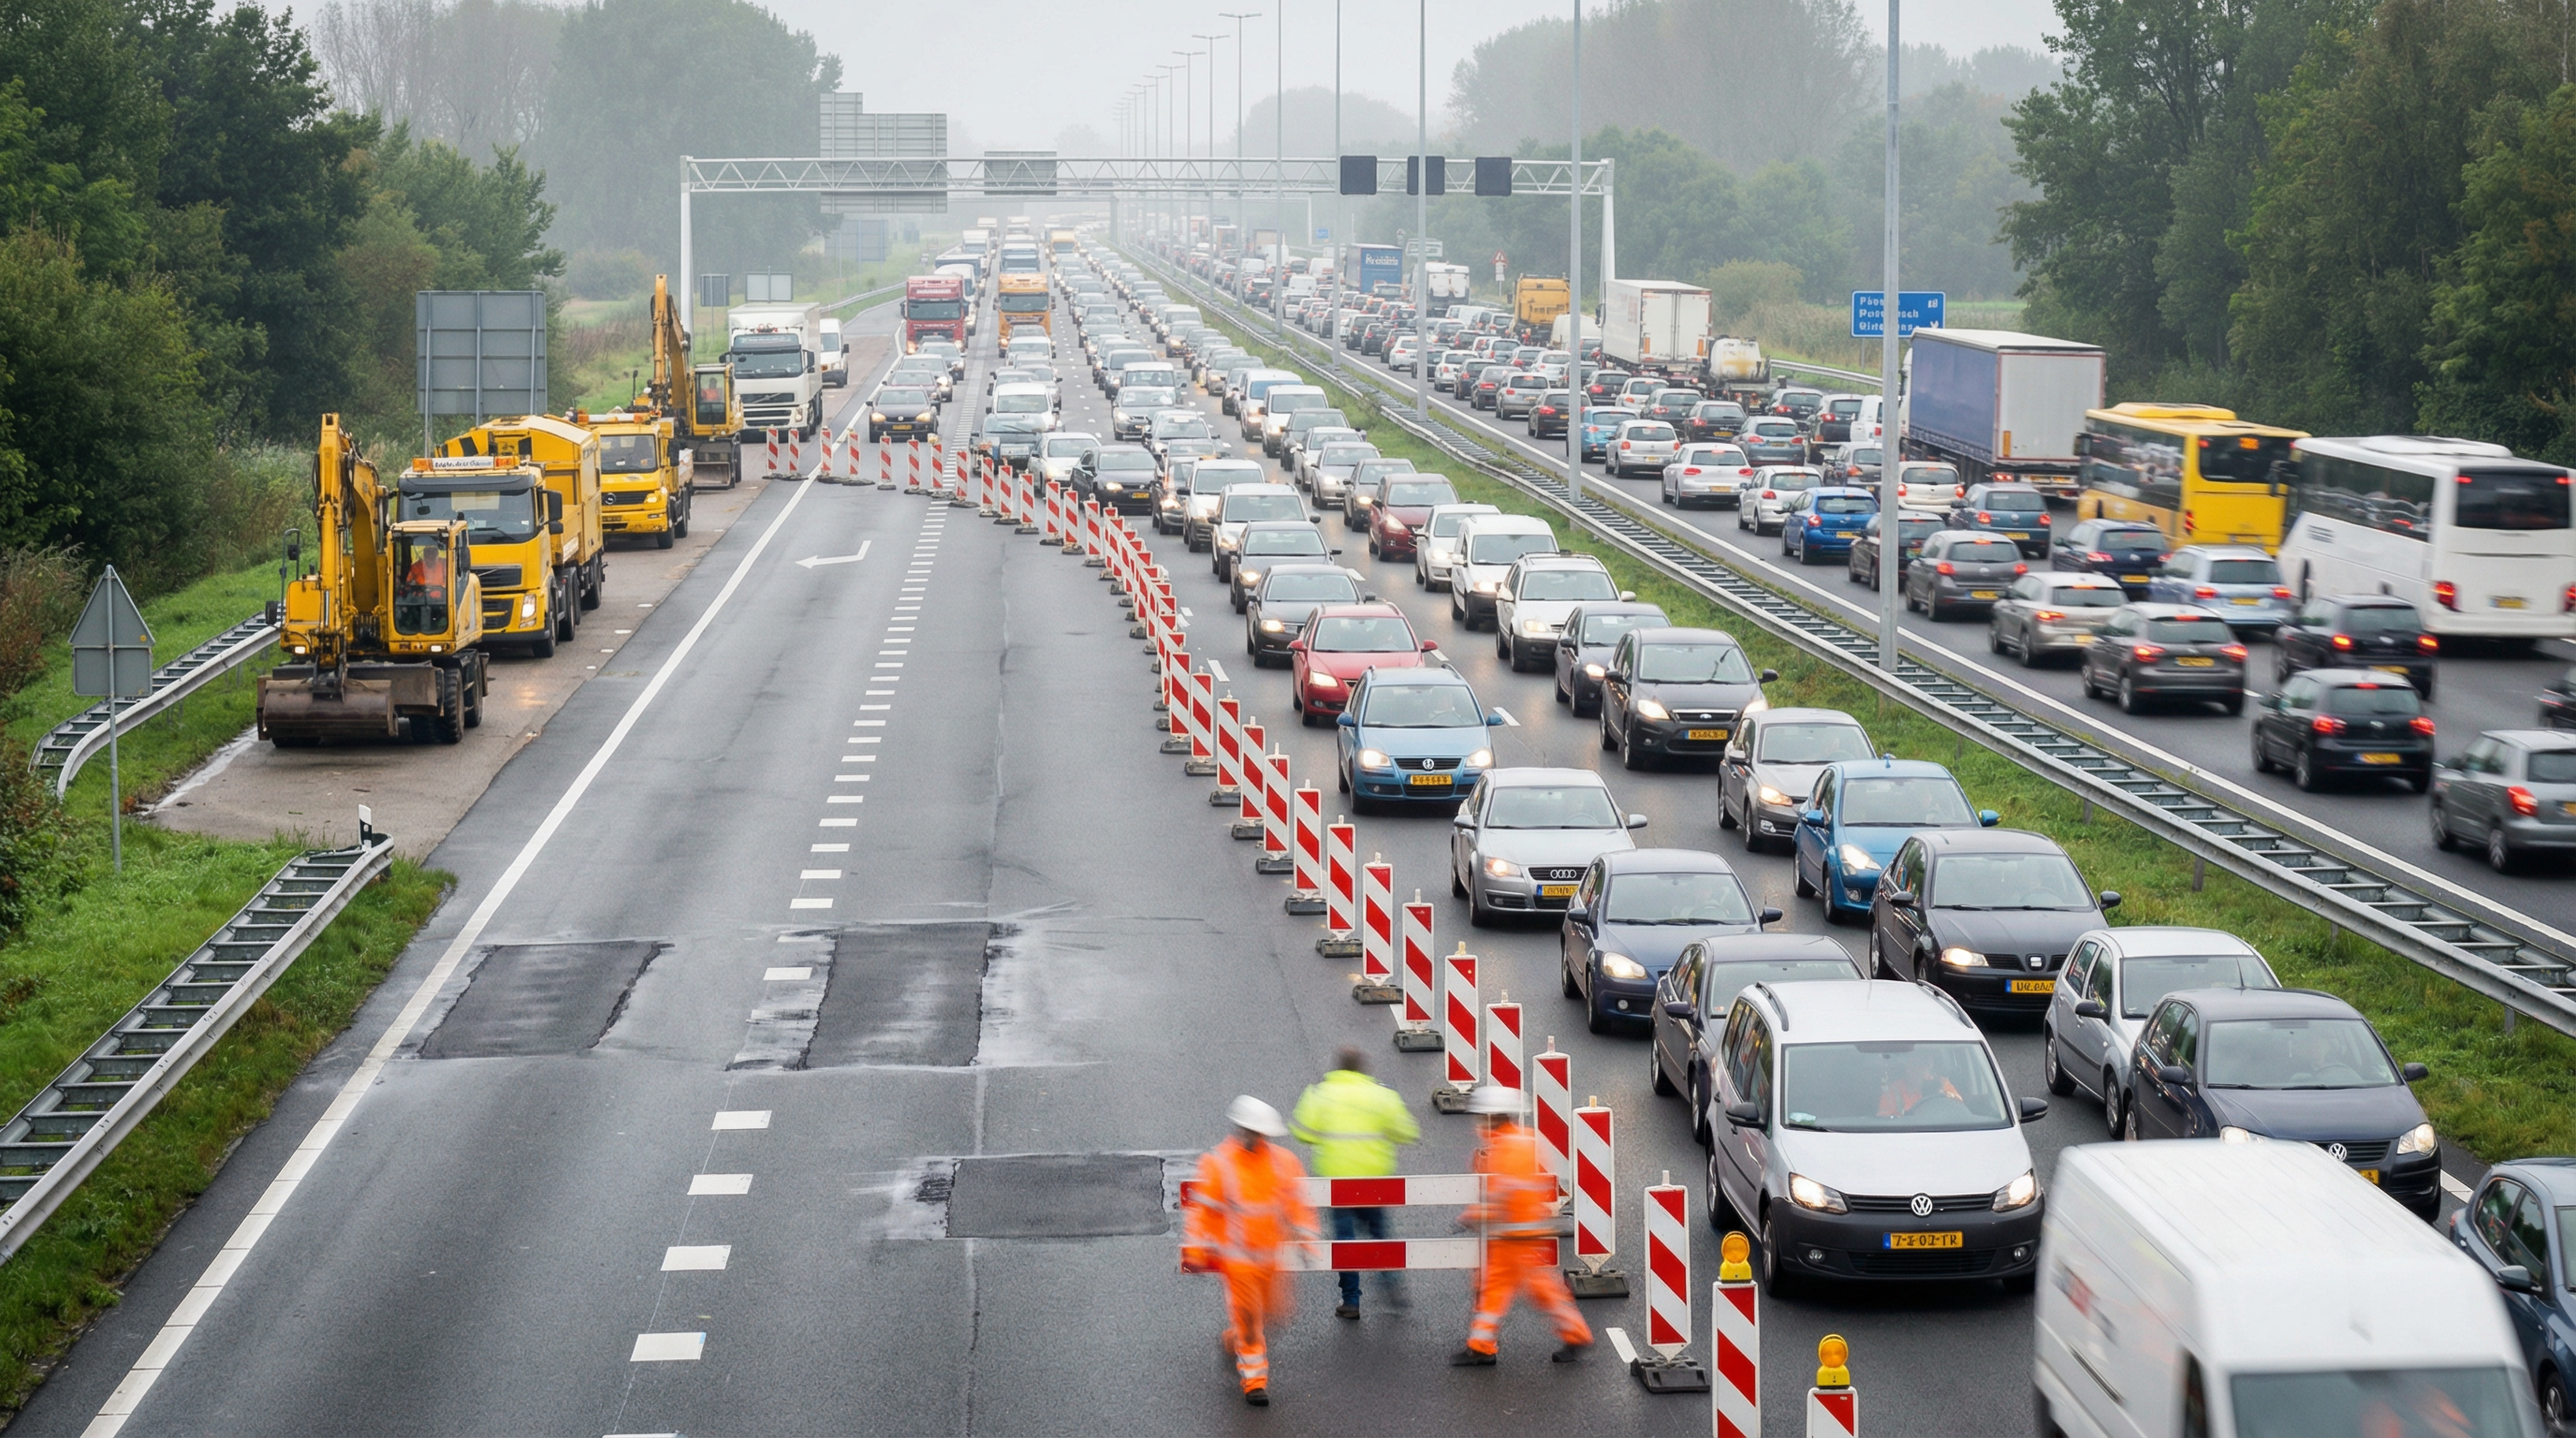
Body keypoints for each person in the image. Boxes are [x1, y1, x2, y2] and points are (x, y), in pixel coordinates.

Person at [1183, 1095, 1318, 1408]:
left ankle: (1231, 1342)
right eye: (1255, 1132)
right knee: (1249, 1319)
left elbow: (1297, 1205)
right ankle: (1255, 1383)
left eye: (1263, 1134)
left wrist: (1306, 1239)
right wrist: (1195, 1249)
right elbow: (1201, 1212)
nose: (1260, 1139)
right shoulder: (1218, 1163)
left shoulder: (1283, 1161)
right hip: (1238, 1261)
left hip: (1271, 1258)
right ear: (1241, 1130)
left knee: (1274, 1316)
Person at [1450, 1085, 1591, 1367]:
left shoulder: (1505, 1149)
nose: (1478, 1125)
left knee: (1497, 1288)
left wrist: (1471, 1216)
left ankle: (1481, 1346)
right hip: (1525, 1230)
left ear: (1492, 1118)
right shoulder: (1525, 1140)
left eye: (1482, 1118)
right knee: (1537, 1290)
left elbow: (1500, 1194)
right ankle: (1575, 1335)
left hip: (1511, 1232)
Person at [1290, 1046, 1422, 1319]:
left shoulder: (1319, 1094)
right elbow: (1407, 1132)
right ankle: (1391, 1283)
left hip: (1337, 1183)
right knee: (1379, 1234)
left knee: (1344, 1240)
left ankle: (1351, 1300)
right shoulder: (1382, 1096)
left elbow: (1301, 1132)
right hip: (1375, 1181)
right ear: (1363, 1068)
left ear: (1337, 1067)